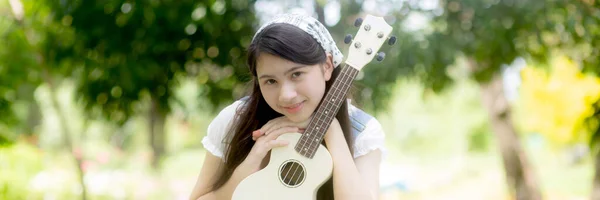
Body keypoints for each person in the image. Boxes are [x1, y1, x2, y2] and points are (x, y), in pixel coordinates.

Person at [189, 13, 386, 200]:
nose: (286, 95)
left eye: (296, 74)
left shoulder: (362, 132)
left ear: (326, 66)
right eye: (271, 81)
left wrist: (332, 131)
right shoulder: (237, 119)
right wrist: (246, 169)